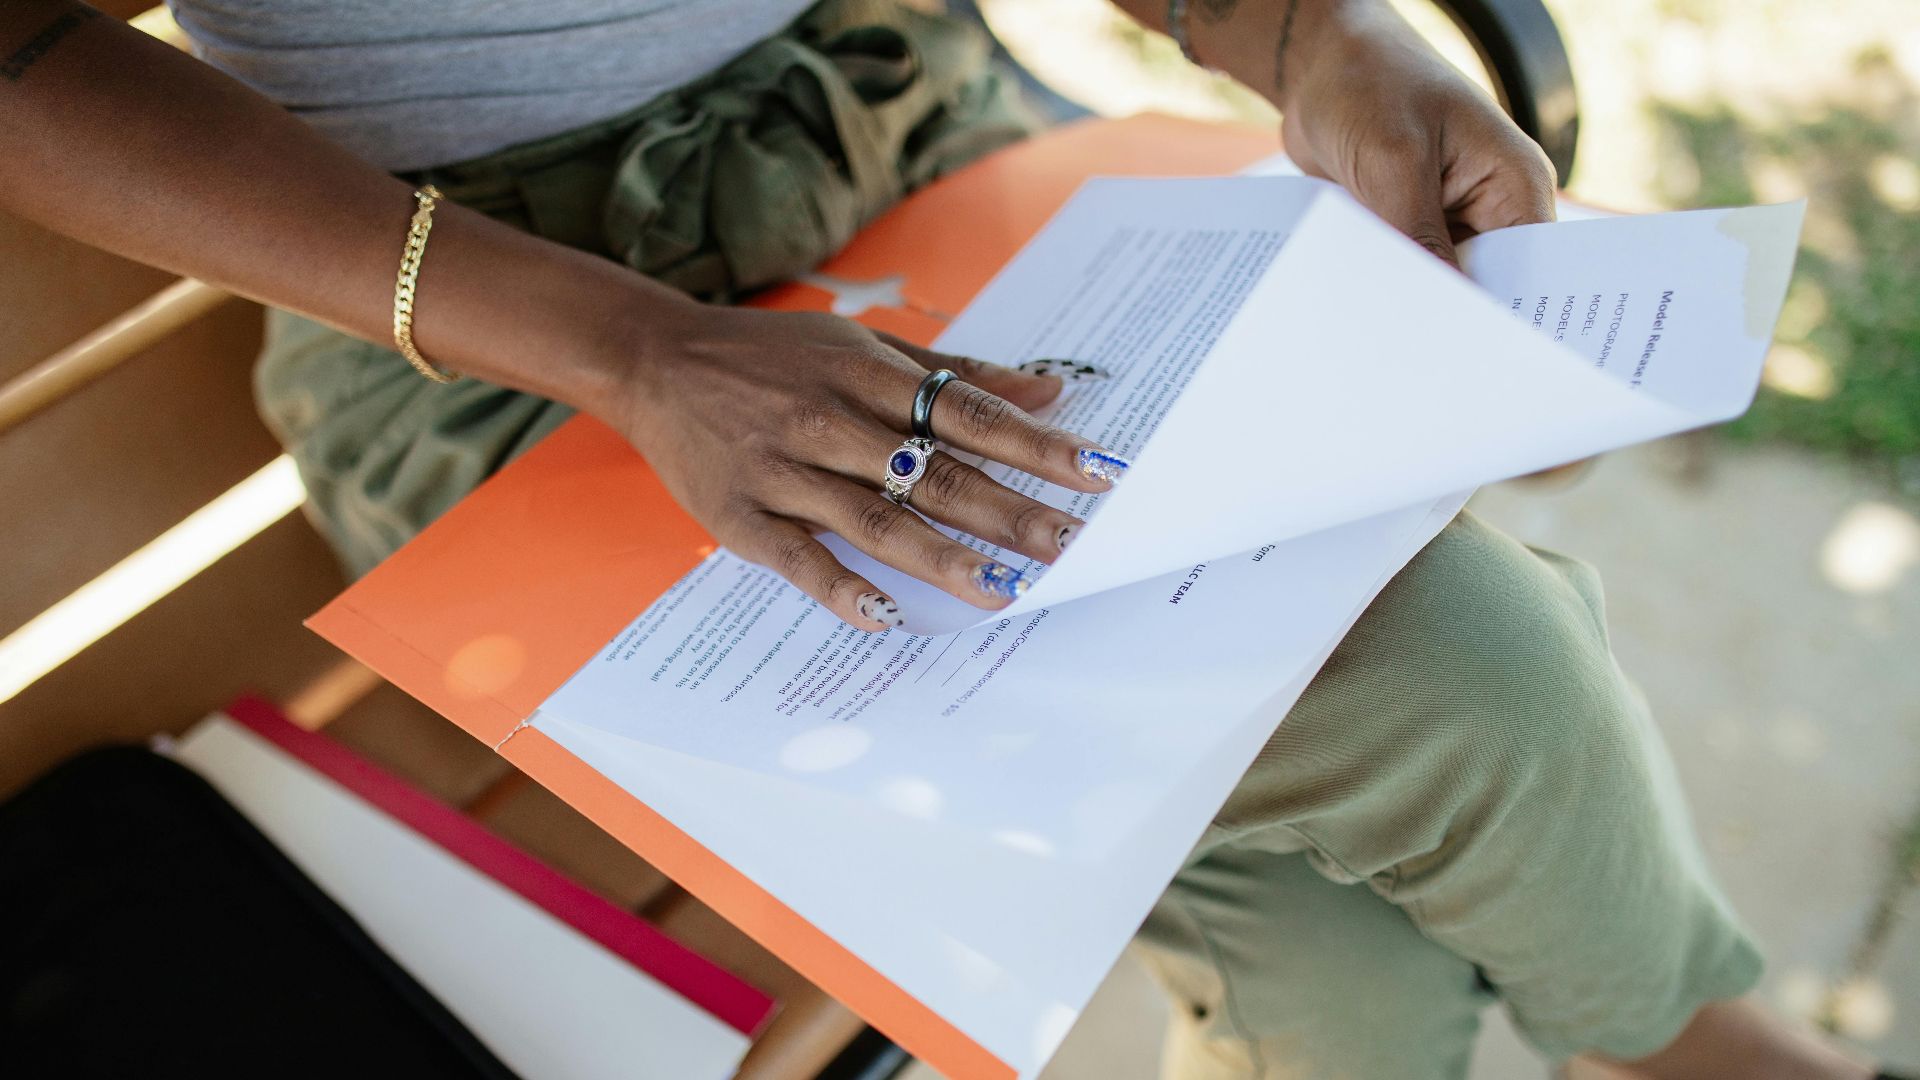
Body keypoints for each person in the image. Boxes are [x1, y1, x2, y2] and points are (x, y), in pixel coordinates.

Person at [0, 2, 1897, 1077]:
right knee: (1473, 691)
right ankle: (1698, 1054)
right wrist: (636, 346)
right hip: (520, 343)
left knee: (1334, 930)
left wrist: (1307, 27)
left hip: (932, 145)